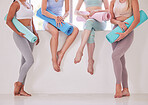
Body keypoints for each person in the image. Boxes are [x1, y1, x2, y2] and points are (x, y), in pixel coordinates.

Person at [6, 0, 39, 96]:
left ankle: (21, 89)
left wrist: (35, 32)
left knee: (24, 62)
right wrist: (18, 32)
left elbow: (31, 20)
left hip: (30, 34)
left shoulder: (30, 4)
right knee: (30, 60)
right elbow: (8, 20)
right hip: (20, 34)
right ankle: (18, 83)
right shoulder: (16, 4)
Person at [110, 0, 140, 98]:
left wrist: (125, 34)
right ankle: (126, 89)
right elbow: (111, 19)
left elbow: (137, 19)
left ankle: (118, 87)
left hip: (127, 31)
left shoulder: (133, 1)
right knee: (120, 61)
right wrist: (118, 22)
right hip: (115, 31)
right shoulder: (113, 1)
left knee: (115, 56)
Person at [41, 0, 79, 72]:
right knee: (55, 32)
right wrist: (55, 17)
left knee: (75, 30)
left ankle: (61, 52)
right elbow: (43, 11)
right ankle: (54, 59)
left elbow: (67, 11)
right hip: (48, 20)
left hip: (59, 20)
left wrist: (62, 17)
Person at [74, 0, 109, 75]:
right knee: (90, 32)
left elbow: (109, 10)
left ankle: (80, 50)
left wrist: (97, 11)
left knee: (89, 23)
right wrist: (82, 15)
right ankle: (90, 60)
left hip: (100, 21)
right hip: (88, 20)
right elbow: (75, 11)